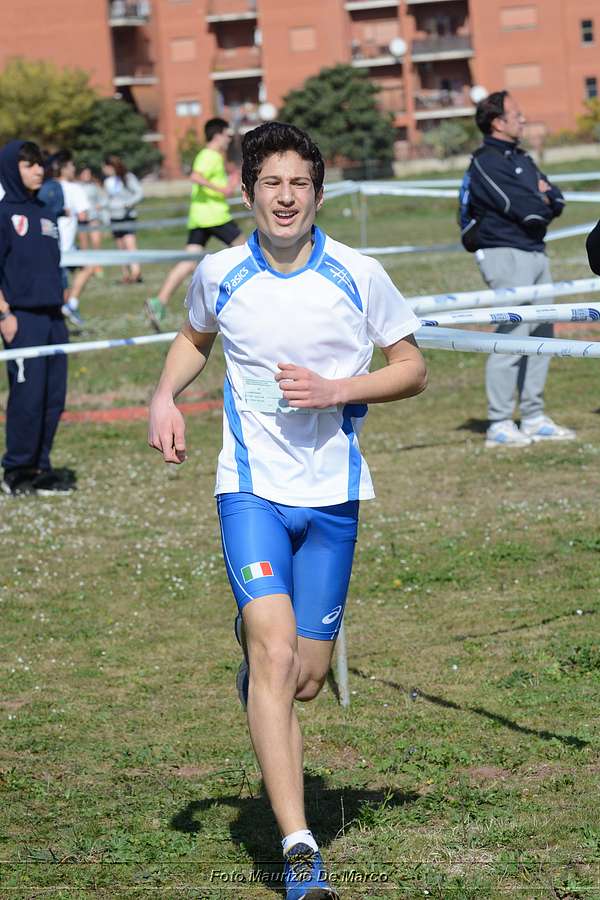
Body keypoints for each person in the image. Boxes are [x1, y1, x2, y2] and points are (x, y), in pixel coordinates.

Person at [148, 122, 427, 899]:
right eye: (271, 182)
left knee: (302, 678)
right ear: (247, 192)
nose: (285, 197)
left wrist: (340, 388)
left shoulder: (359, 274)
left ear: (319, 194)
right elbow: (194, 337)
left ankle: (260, 651)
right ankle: (301, 850)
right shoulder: (220, 272)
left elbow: (412, 368)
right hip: (250, 488)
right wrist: (163, 395)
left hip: (332, 495)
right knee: (275, 655)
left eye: (299, 183)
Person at [462, 90, 575, 448]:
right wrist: (540, 198)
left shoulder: (522, 158)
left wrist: (544, 197)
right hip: (503, 252)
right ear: (498, 122)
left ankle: (533, 416)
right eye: (517, 114)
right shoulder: (485, 161)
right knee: (512, 333)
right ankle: (499, 422)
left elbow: (556, 199)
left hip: (536, 251)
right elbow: (524, 208)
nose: (523, 119)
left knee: (543, 333)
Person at [0, 140, 73, 495]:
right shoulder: (3, 214)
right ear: (12, 170)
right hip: (21, 318)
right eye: (29, 165)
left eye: (40, 164)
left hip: (53, 318)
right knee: (27, 397)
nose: (38, 170)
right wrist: (4, 314)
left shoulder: (45, 211)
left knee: (53, 396)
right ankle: (17, 470)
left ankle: (42, 467)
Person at [145, 117, 244, 331]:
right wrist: (222, 189)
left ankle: (159, 302)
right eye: (226, 135)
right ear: (217, 135)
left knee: (188, 262)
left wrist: (230, 181)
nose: (228, 139)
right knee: (246, 251)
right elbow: (196, 176)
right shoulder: (209, 155)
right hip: (215, 216)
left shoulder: (213, 156)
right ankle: (249, 298)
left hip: (201, 217)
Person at [55, 150, 95, 328]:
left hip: (52, 245)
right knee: (87, 267)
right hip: (65, 247)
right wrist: (86, 248)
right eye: (71, 165)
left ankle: (69, 307)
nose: (74, 169)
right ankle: (70, 306)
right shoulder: (75, 189)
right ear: (63, 168)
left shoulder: (47, 187)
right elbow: (83, 219)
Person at [103, 154, 144, 284]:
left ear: (111, 166)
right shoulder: (108, 182)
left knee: (130, 245)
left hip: (127, 216)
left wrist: (129, 203)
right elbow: (108, 200)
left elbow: (139, 193)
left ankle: (136, 272)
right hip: (114, 217)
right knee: (120, 247)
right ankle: (126, 274)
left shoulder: (128, 177)